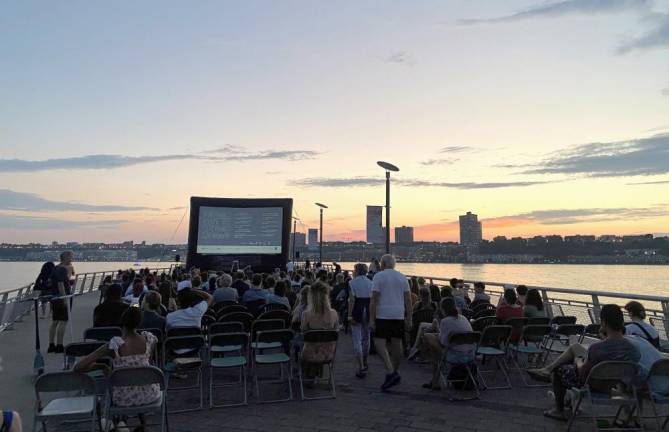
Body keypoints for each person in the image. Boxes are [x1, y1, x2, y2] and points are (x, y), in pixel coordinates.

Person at [527, 304, 641, 421]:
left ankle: (558, 409)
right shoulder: (633, 349)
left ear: (604, 322)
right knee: (575, 347)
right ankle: (548, 372)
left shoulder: (597, 348)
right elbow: (616, 356)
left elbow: (582, 372)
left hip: (592, 384)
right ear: (622, 322)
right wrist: (603, 338)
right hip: (611, 384)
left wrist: (578, 360)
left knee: (559, 371)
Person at [75, 308, 160, 421]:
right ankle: (141, 424)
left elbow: (79, 367)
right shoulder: (149, 340)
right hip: (149, 394)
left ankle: (120, 424)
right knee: (137, 376)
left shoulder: (114, 345)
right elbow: (146, 363)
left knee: (118, 385)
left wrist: (101, 366)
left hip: (123, 398)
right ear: (139, 323)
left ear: (122, 321)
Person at [370, 254, 412, 391]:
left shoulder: (378, 277)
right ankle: (394, 371)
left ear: (382, 264)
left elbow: (374, 300)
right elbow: (408, 300)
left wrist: (371, 319)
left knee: (379, 343)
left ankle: (390, 371)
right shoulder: (402, 277)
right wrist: (409, 318)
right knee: (397, 343)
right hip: (398, 313)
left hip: (383, 313)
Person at [421, 298, 475, 390]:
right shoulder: (463, 318)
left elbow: (443, 342)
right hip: (470, 355)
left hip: (455, 357)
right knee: (431, 339)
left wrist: (438, 333)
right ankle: (435, 380)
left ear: (442, 309)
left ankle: (435, 380)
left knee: (428, 339)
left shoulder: (445, 321)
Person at [301, 281, 339, 378]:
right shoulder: (334, 313)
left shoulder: (306, 314)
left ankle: (309, 374)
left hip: (310, 353)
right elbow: (336, 330)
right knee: (321, 340)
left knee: (306, 341)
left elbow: (303, 331)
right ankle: (316, 372)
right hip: (328, 354)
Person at [348, 263, 372, 378]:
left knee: (357, 338)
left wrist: (349, 315)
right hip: (368, 309)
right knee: (366, 337)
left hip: (357, 309)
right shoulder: (371, 283)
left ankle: (361, 366)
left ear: (356, 271)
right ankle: (365, 360)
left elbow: (351, 300)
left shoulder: (352, 283)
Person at [47, 251, 74, 354]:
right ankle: (59, 345)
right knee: (63, 321)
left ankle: (51, 345)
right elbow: (60, 284)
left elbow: (51, 282)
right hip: (62, 297)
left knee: (55, 321)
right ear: (66, 257)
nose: (72, 259)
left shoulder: (55, 268)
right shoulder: (62, 269)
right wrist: (64, 299)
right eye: (71, 257)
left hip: (54, 297)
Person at [408, 287, 439, 361]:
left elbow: (412, 315)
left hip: (416, 327)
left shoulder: (417, 305)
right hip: (430, 326)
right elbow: (436, 316)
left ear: (420, 295)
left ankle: (412, 346)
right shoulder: (434, 305)